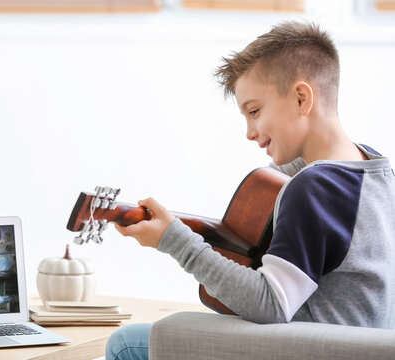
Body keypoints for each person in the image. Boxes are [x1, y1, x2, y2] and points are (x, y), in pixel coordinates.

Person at [105, 20, 395, 360]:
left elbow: (270, 303)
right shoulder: (376, 169)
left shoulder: (311, 189)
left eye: (254, 112)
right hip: (359, 345)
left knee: (126, 343)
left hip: (309, 351)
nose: (249, 131)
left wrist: (174, 241)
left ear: (302, 98)